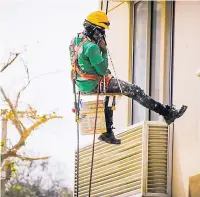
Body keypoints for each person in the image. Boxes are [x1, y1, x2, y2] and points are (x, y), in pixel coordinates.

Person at [69, 11, 187, 145]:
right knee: (134, 90)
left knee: (109, 96)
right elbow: (102, 70)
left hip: (82, 84)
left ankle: (107, 132)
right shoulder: (92, 48)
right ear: (94, 29)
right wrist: (104, 51)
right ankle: (166, 112)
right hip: (94, 84)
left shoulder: (76, 41)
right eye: (101, 31)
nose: (102, 35)